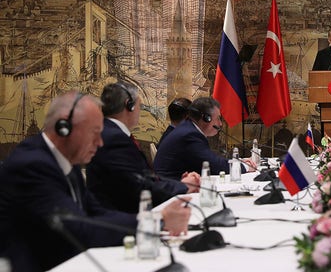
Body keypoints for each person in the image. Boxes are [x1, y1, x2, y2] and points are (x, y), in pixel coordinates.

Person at [0, 91, 191, 271]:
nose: (100, 142)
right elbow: (78, 229)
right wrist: (155, 221)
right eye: (94, 132)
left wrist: (153, 221)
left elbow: (96, 211)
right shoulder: (32, 165)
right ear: (64, 128)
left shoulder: (67, 159)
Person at [86, 82, 199, 214]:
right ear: (130, 105)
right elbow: (138, 186)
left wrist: (180, 182)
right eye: (140, 105)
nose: (140, 110)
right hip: (122, 220)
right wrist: (183, 186)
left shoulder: (112, 132)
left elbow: (141, 176)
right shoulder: (114, 138)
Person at [154, 97, 256, 181]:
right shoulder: (190, 134)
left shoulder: (189, 129)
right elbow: (213, 165)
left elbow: (211, 160)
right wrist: (245, 167)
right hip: (173, 192)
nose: (220, 124)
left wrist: (239, 161)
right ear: (206, 118)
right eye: (218, 118)